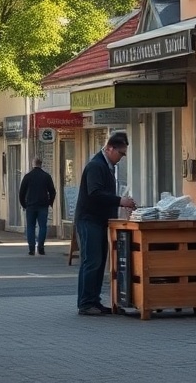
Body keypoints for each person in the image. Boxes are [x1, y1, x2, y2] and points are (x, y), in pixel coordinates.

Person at [74, 131, 136, 316]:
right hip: (89, 220)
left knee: (99, 262)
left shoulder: (107, 166)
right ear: (109, 148)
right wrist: (120, 201)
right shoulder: (96, 166)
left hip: (100, 220)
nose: (122, 158)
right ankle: (85, 303)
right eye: (121, 153)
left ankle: (94, 300)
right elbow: (95, 193)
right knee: (91, 261)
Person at [19, 156, 57, 256]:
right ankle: (41, 247)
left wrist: (24, 204)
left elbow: (21, 192)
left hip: (30, 205)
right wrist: (50, 202)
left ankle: (31, 248)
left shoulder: (28, 176)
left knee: (30, 227)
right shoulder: (46, 176)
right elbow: (52, 191)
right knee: (43, 226)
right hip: (43, 205)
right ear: (41, 164)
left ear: (33, 164)